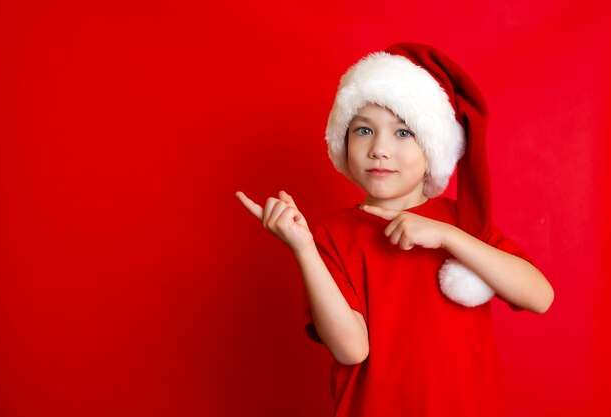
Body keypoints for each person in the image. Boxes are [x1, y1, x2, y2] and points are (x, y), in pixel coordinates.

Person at [236, 42, 554, 417]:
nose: (380, 149)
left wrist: (448, 236)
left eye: (403, 133)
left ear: (433, 148)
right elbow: (351, 349)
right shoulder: (330, 235)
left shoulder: (462, 223)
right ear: (343, 141)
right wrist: (302, 248)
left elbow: (540, 297)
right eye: (364, 130)